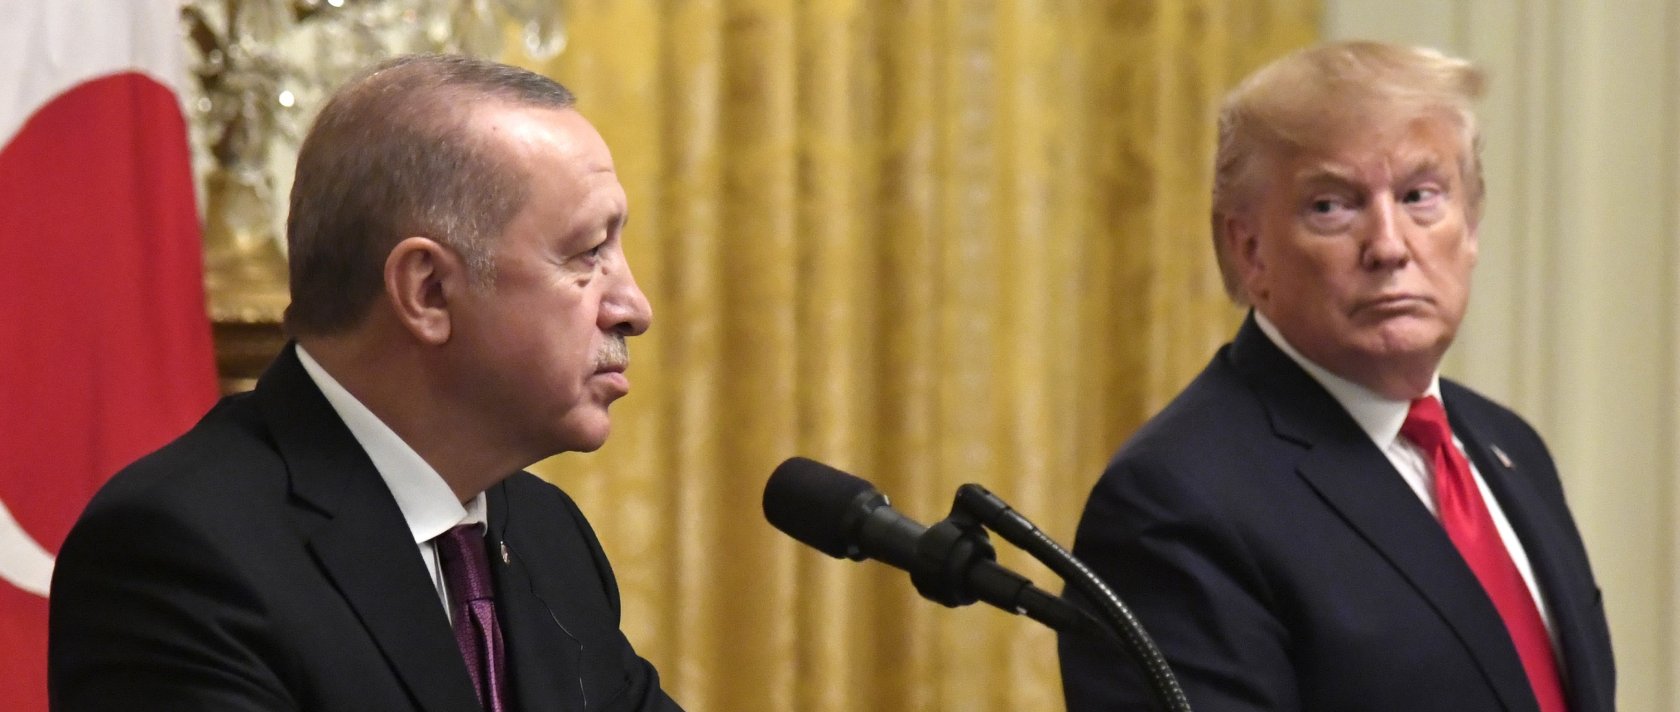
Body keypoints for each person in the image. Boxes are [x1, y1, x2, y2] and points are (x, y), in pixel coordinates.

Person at [48, 55, 681, 711]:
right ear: (428, 291)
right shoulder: (180, 553)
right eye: (588, 254)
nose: (633, 307)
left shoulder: (547, 536)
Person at [1058, 41, 1614, 712]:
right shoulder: (1174, 504)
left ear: (1470, 226)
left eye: (1420, 196)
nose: (1388, 245)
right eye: (1332, 206)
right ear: (1249, 249)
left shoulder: (1510, 447)